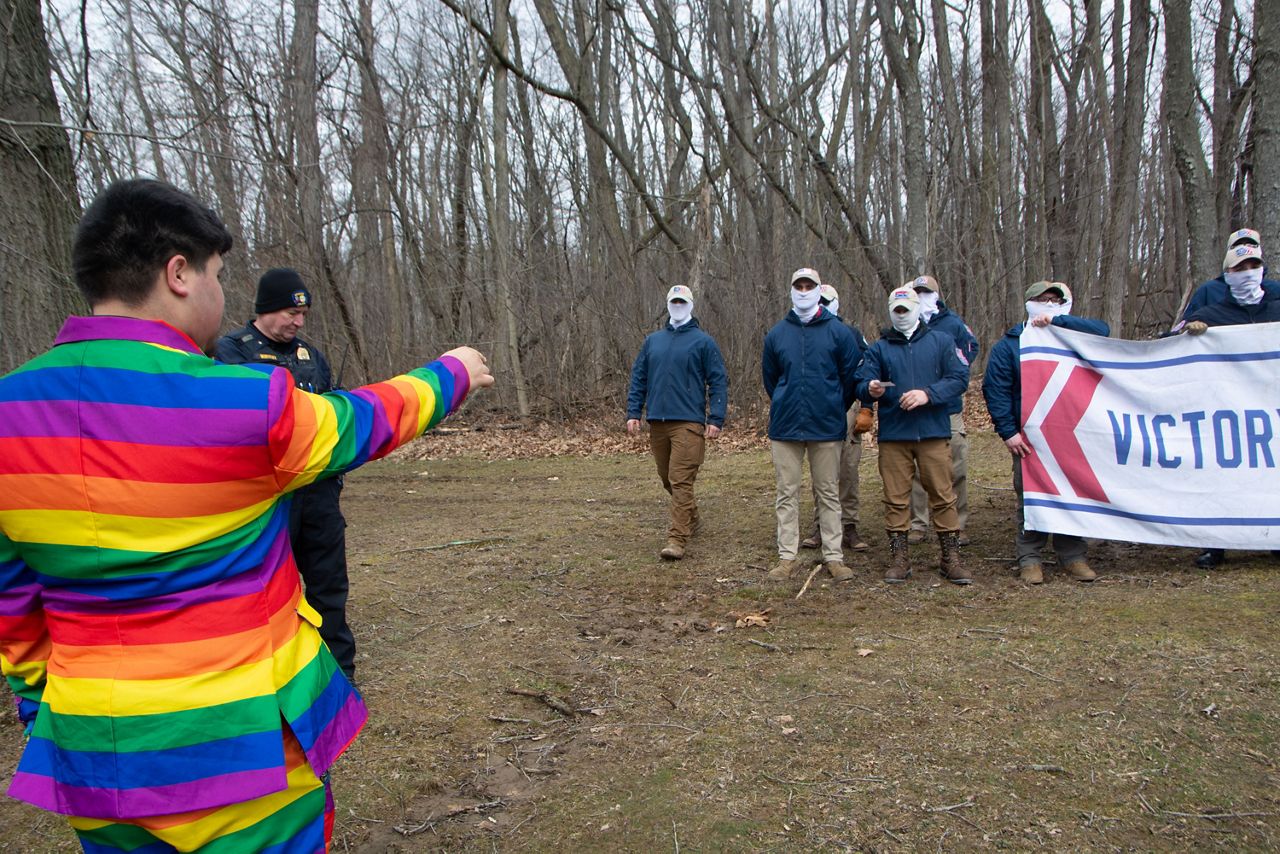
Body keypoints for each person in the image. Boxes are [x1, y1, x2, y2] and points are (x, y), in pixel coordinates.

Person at [0, 179, 493, 850]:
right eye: (217, 273)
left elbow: (16, 607)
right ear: (178, 273)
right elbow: (363, 421)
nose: (220, 291)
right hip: (246, 760)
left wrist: (48, 712)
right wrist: (452, 373)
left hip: (96, 758)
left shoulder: (10, 415)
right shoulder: (243, 404)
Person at [216, 269, 358, 681]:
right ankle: (266, 673)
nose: (297, 322)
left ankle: (338, 671)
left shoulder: (311, 357)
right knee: (264, 590)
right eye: (289, 312)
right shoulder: (231, 353)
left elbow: (329, 418)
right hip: (265, 497)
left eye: (303, 314)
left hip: (317, 491)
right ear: (264, 309)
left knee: (329, 583)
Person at [982, 281, 1108, 585]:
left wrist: (1059, 322)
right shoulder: (1011, 345)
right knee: (1031, 497)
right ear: (1028, 303)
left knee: (1072, 492)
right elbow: (996, 390)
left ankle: (1073, 555)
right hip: (1028, 438)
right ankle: (1030, 557)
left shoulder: (1073, 337)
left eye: (1055, 300)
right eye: (1043, 300)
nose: (1049, 305)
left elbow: (1103, 331)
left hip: (1070, 433)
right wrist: (1008, 432)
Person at [856, 287, 971, 584]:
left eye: (907, 309)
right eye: (897, 309)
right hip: (895, 435)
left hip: (933, 431)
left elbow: (959, 379)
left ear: (917, 309)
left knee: (944, 496)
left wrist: (928, 394)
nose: (902, 314)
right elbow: (861, 380)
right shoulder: (879, 348)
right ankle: (899, 557)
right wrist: (870, 388)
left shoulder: (941, 341)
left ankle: (950, 557)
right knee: (895, 499)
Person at [1179, 243, 1280, 568]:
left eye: (1253, 266)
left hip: (1271, 411)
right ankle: (1215, 544)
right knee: (1221, 477)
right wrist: (1191, 332)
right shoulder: (1213, 314)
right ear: (1227, 275)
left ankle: (1273, 537)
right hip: (1226, 413)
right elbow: (1175, 338)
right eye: (1239, 268)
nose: (1247, 273)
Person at [762, 268, 861, 583]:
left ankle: (833, 556)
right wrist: (786, 400)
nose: (803, 291)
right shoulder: (777, 334)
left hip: (826, 425)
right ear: (791, 291)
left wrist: (833, 406)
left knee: (828, 492)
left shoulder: (839, 333)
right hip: (786, 426)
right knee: (786, 492)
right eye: (798, 286)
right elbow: (771, 378)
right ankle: (786, 556)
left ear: (819, 290)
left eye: (809, 286)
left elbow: (850, 380)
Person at [626, 284, 729, 560]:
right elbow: (639, 378)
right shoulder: (653, 341)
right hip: (657, 421)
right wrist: (633, 412)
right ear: (668, 304)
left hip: (688, 422)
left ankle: (677, 539)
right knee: (666, 478)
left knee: (680, 480)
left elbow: (718, 380)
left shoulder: (703, 342)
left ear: (691, 305)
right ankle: (691, 516)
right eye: (674, 301)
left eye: (683, 301)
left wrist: (716, 417)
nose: (678, 305)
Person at [905, 276, 979, 546]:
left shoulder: (952, 323)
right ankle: (918, 523)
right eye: (918, 291)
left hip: (947, 408)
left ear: (936, 294)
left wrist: (948, 366)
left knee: (955, 466)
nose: (922, 296)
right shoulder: (905, 321)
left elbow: (971, 348)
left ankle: (956, 525)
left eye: (927, 292)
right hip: (914, 409)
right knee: (915, 470)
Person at [799, 284, 871, 552]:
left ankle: (849, 526)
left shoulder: (850, 333)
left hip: (847, 403)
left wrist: (866, 408)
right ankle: (821, 525)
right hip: (818, 407)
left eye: (827, 300)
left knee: (848, 467)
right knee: (823, 470)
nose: (823, 304)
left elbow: (867, 371)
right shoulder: (806, 331)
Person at [1180, 228, 1279, 322]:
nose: (1244, 248)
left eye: (1251, 245)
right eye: (1238, 245)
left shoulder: (1274, 289)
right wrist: (1189, 328)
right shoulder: (1208, 291)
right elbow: (1182, 330)